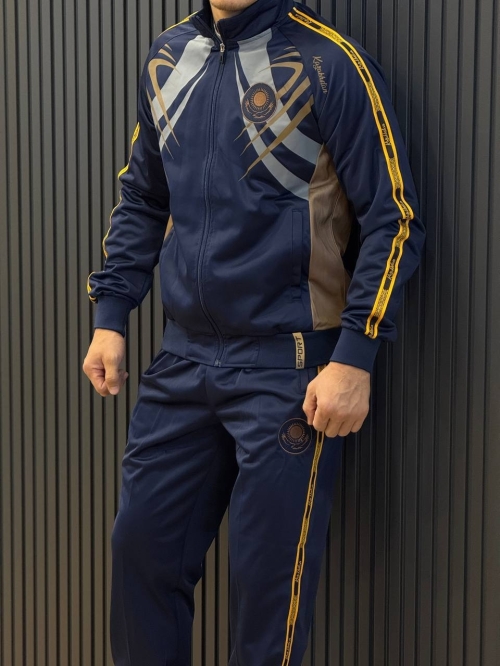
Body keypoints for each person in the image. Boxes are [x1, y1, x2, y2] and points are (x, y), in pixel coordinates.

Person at [83, 0, 425, 663]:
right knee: (140, 555)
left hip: (288, 373)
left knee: (268, 599)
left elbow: (396, 218)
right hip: (182, 364)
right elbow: (144, 198)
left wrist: (355, 356)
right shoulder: (167, 57)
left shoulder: (329, 65)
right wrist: (111, 314)